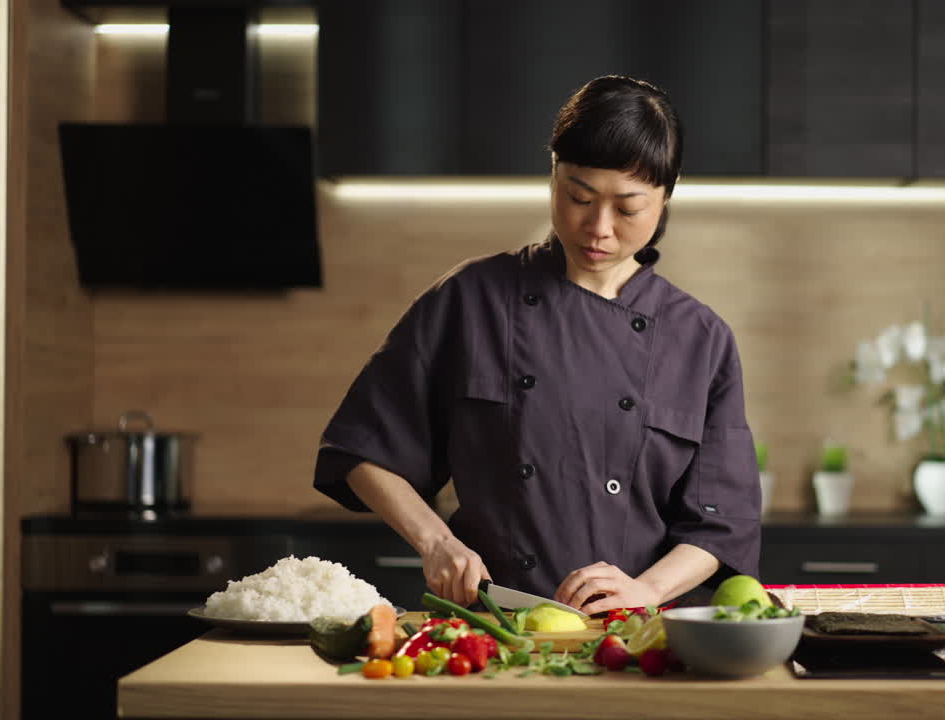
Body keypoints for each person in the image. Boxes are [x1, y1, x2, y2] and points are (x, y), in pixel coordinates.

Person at [314, 75, 760, 615]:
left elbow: (721, 522)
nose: (598, 227)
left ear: (666, 196)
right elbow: (363, 448)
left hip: (632, 636)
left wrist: (647, 590)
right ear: (552, 173)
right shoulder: (472, 299)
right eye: (578, 196)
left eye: (627, 207)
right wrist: (436, 543)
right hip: (489, 625)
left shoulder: (701, 338)